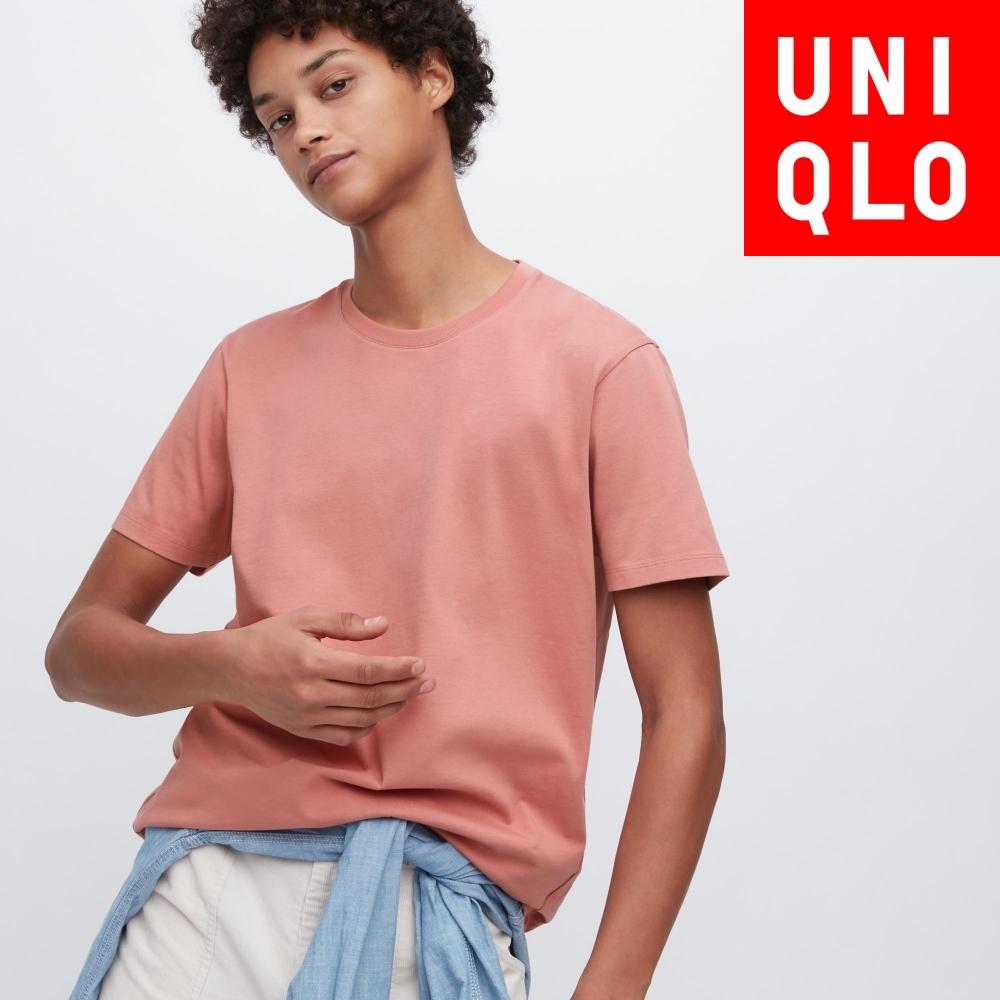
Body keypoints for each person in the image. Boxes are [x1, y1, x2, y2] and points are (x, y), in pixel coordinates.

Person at [46, 2, 731, 998]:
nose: (307, 132)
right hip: (205, 898)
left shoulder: (601, 367)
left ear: (433, 75)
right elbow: (77, 651)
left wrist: (611, 986)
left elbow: (687, 713)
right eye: (278, 117)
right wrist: (233, 668)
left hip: (433, 909)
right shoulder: (249, 368)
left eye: (334, 86)